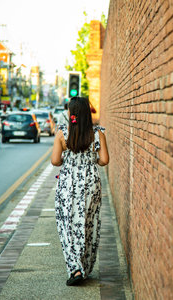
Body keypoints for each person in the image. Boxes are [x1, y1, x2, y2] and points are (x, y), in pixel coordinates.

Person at [51, 96, 109, 286]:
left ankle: (75, 268)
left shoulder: (62, 134)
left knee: (67, 224)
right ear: (87, 112)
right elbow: (104, 160)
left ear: (71, 113)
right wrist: (92, 162)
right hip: (90, 182)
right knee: (88, 222)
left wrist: (66, 162)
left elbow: (55, 161)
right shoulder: (98, 133)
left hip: (68, 182)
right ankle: (85, 266)